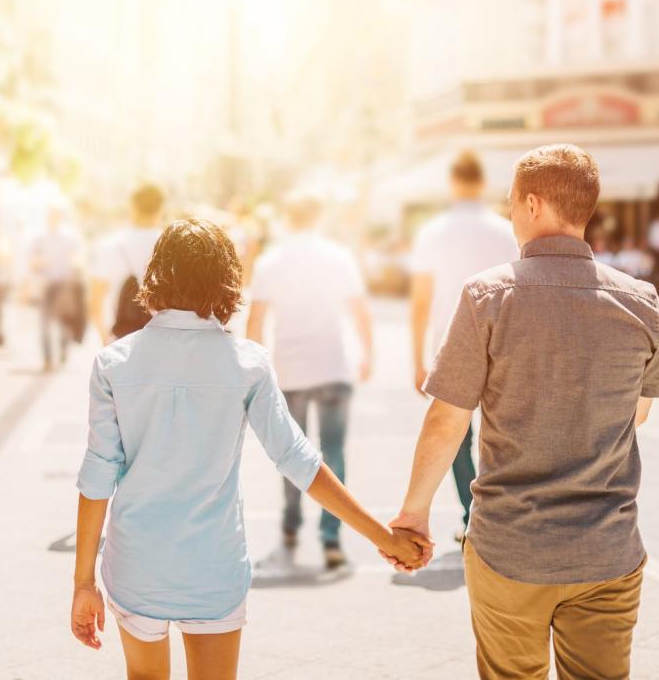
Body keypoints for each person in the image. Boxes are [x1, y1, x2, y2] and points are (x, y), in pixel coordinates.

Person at [70, 219, 429, 680]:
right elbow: (300, 461)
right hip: (212, 568)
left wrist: (84, 583)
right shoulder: (247, 364)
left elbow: (98, 475)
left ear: (156, 275)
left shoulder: (113, 363)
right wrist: (384, 537)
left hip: (137, 565)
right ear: (225, 280)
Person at [388, 144, 659, 680]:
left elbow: (447, 419)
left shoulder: (487, 297)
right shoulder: (642, 302)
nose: (512, 214)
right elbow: (638, 413)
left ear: (534, 205)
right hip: (606, 551)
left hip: (510, 551)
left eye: (514, 203)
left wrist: (414, 514)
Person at [246, 192, 373, 569]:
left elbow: (255, 322)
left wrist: (255, 368)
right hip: (334, 366)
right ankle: (331, 536)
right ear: (319, 216)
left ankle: (290, 523)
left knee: (291, 455)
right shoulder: (339, 257)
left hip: (290, 371)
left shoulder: (271, 262)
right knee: (333, 453)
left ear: (288, 216)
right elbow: (360, 310)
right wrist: (368, 353)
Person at [407, 150, 519, 541]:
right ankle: (498, 516)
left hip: (448, 347)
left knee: (456, 438)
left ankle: (472, 518)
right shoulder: (507, 230)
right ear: (482, 183)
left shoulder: (433, 232)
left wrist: (417, 359)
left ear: (453, 184)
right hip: (505, 346)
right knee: (500, 436)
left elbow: (420, 301)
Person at [89, 185, 164, 345]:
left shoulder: (109, 246)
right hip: (161, 342)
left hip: (120, 342)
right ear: (161, 208)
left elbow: (95, 304)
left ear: (132, 207)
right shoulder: (172, 246)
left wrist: (106, 341)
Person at [29, 207, 85, 371]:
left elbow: (77, 261)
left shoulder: (68, 238)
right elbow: (33, 262)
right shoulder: (41, 238)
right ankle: (49, 358)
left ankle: (62, 352)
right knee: (46, 322)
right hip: (48, 283)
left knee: (62, 320)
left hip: (62, 283)